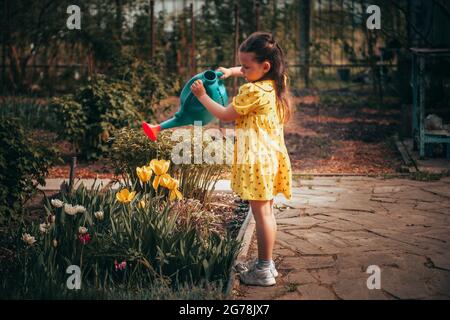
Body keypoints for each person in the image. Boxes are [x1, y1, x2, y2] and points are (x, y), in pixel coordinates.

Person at [190, 32, 292, 286]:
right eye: (242, 66)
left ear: (264, 66)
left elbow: (225, 115)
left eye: (246, 67)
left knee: (261, 215)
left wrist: (202, 95)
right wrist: (232, 71)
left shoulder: (252, 91)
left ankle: (263, 270)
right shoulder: (277, 82)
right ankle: (267, 265)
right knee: (267, 212)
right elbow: (253, 68)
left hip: (256, 160)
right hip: (271, 156)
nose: (243, 71)